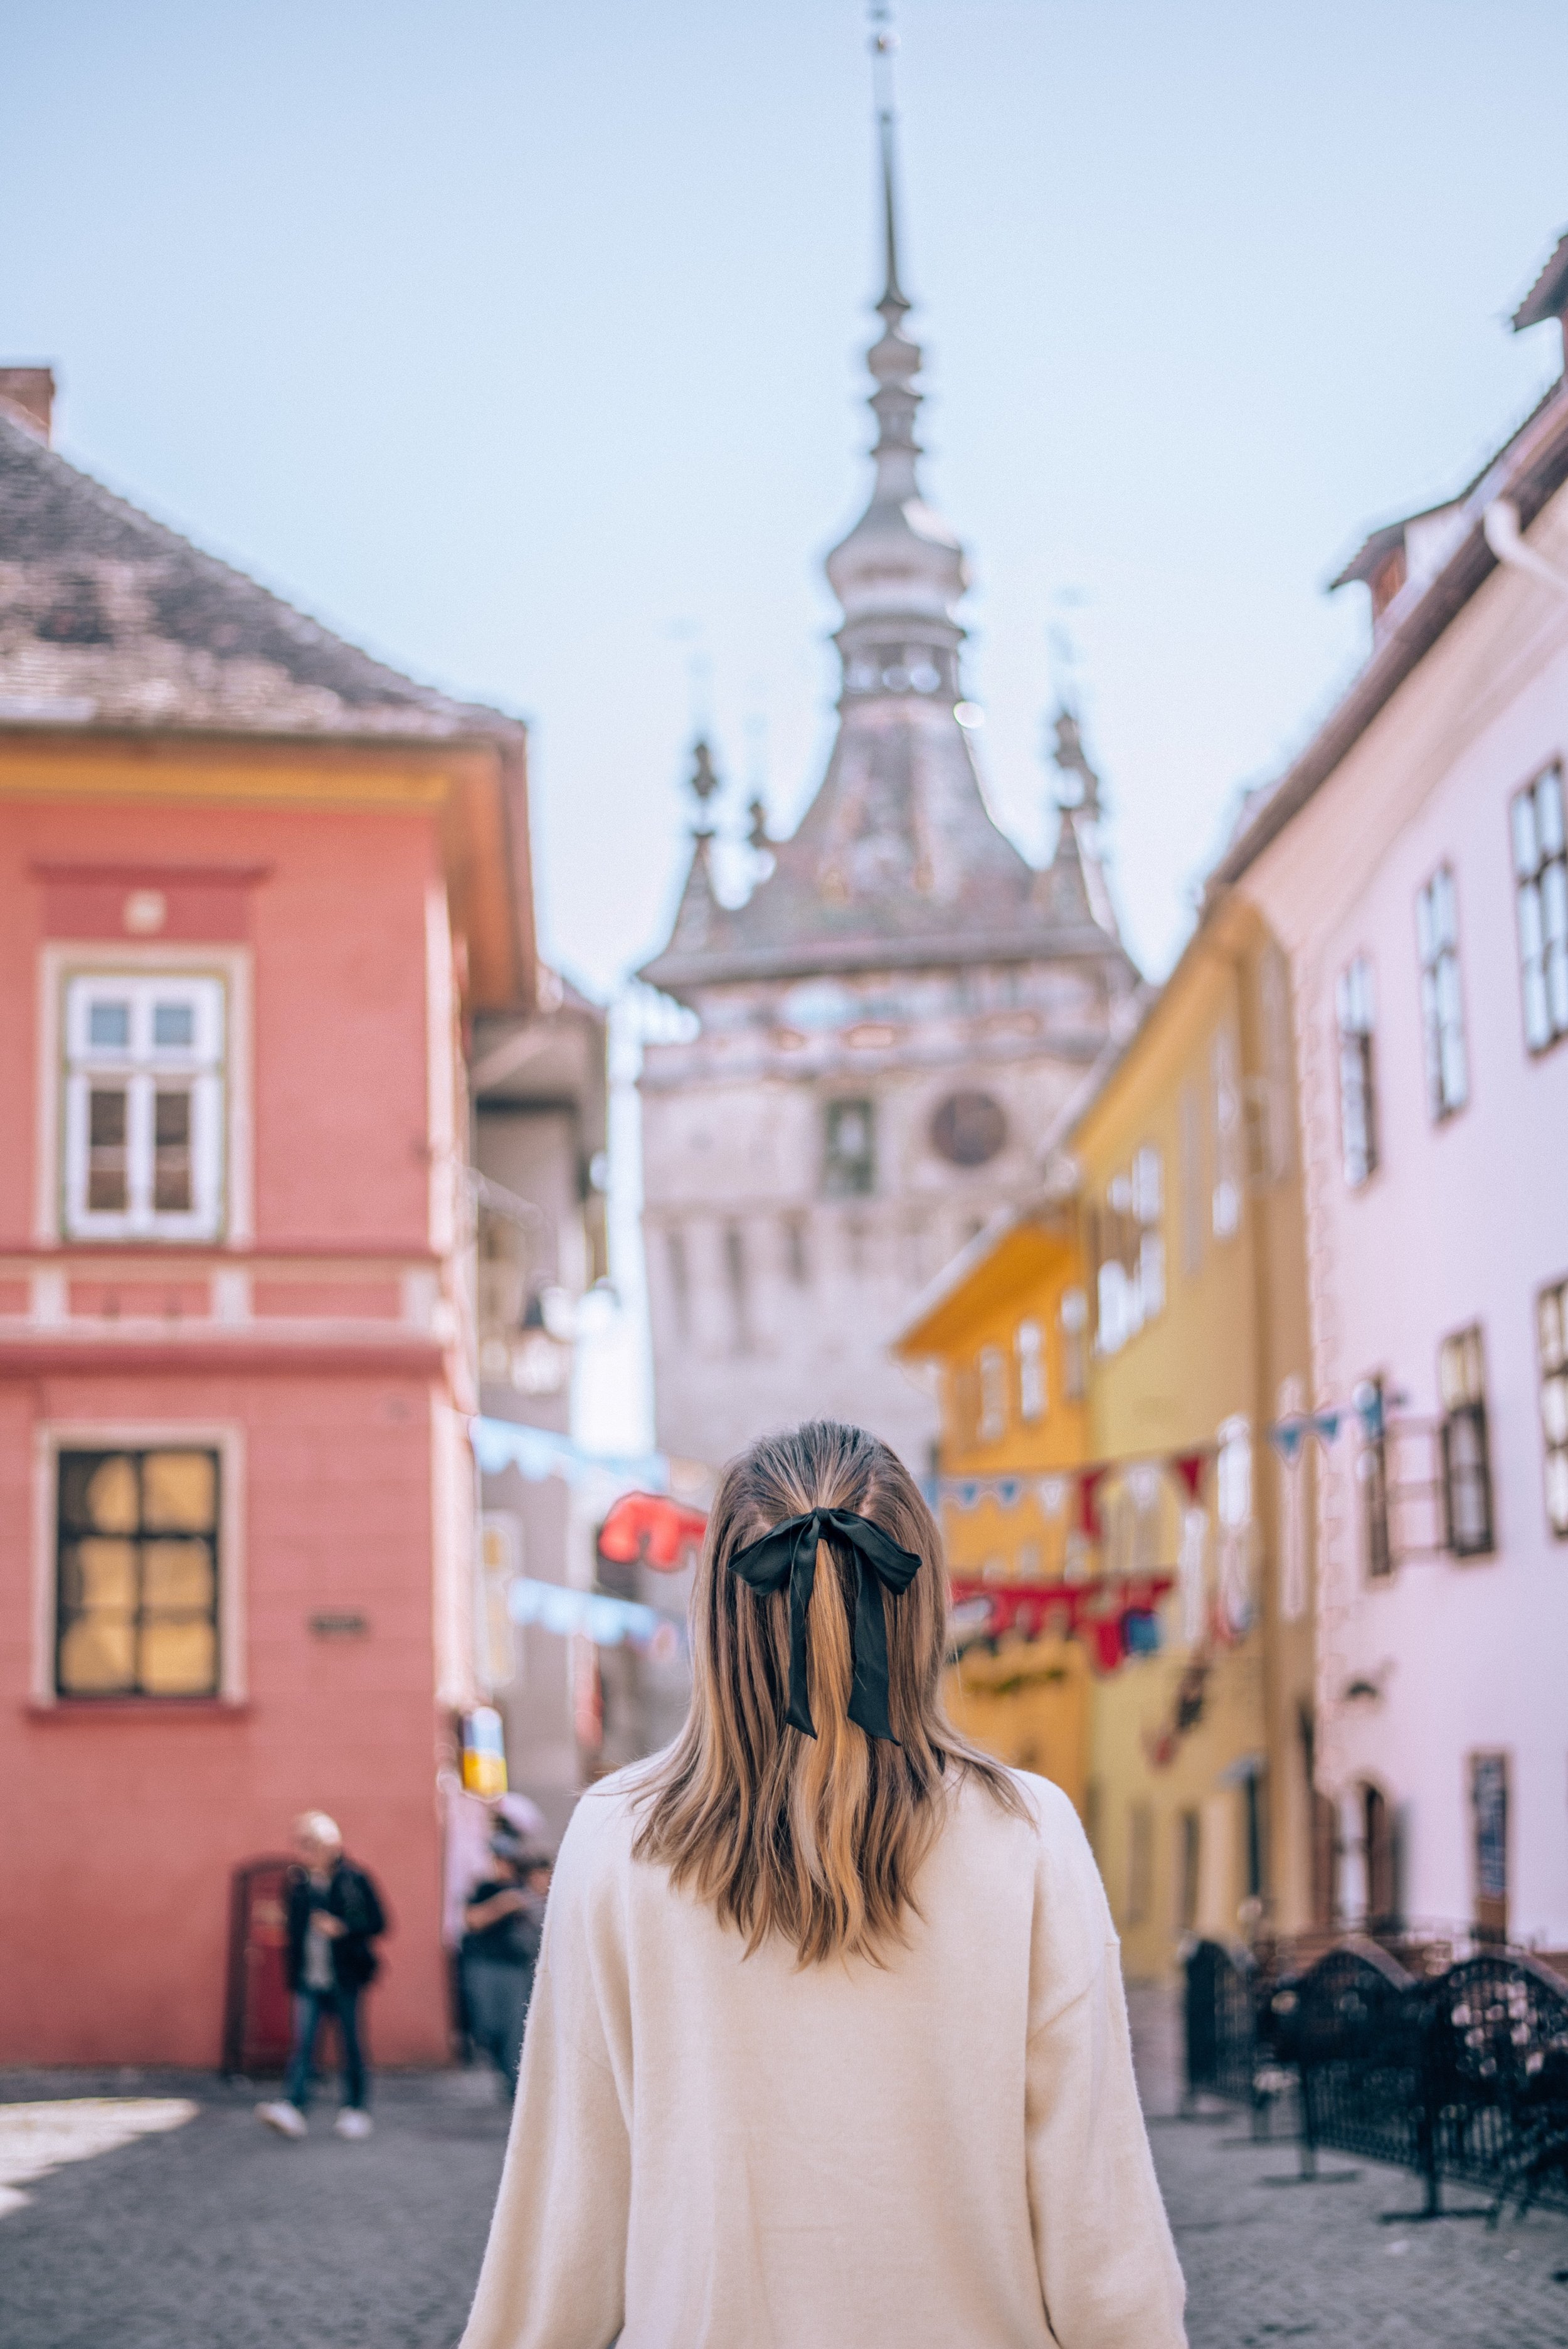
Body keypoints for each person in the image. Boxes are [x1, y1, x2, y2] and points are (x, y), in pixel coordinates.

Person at [461, 1420, 1187, 2349]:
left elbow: (566, 2221)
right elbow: (1101, 2230)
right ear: (923, 1603)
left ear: (720, 1613)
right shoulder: (1027, 1833)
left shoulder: (616, 1837)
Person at [257, 1811, 386, 2143]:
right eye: (301, 1843)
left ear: (332, 1845)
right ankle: (294, 2107)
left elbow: (379, 1923)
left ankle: (355, 2109)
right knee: (303, 2045)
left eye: (311, 1844)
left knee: (351, 2045)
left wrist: (342, 1928)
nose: (305, 1851)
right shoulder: (298, 1883)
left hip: (345, 1977)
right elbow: (292, 1929)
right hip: (308, 1978)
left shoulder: (355, 1879)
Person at [460, 1828, 553, 2099]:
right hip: (484, 1963)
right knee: (488, 2027)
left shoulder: (526, 1892)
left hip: (516, 1966)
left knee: (514, 2029)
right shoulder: (486, 1888)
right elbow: (472, 1920)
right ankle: (508, 2077)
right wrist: (502, 1906)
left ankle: (516, 2086)